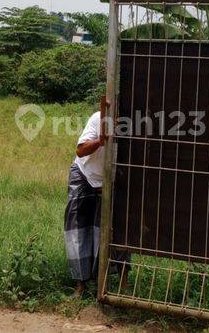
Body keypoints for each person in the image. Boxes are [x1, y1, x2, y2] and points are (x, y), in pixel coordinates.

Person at [64, 111, 126, 297]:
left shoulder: (134, 127)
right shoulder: (97, 119)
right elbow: (81, 150)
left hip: (111, 181)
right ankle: (80, 284)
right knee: (78, 227)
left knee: (115, 229)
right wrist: (101, 140)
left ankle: (122, 285)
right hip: (84, 174)